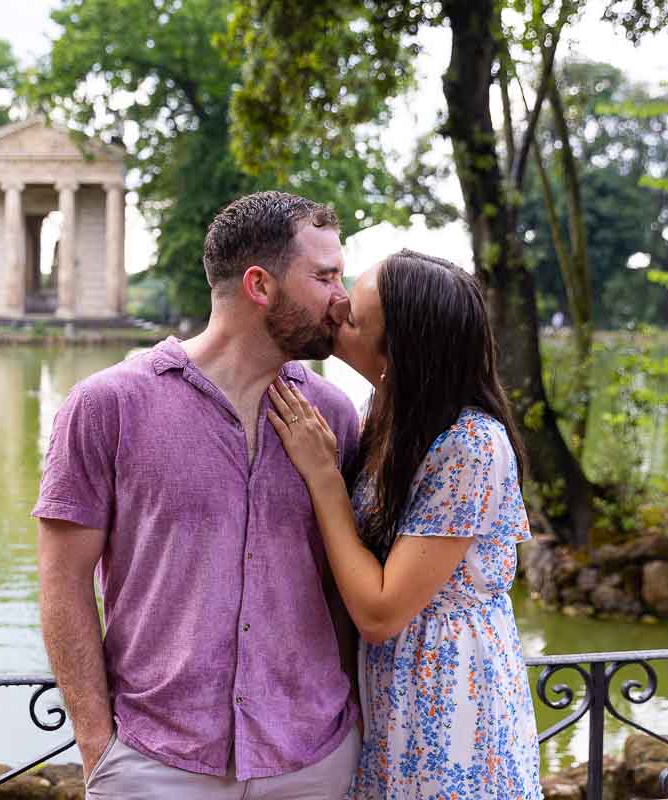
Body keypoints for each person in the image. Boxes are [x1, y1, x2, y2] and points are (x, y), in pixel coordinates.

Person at [34, 191, 363, 799]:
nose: (341, 298)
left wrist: (352, 731)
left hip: (314, 762)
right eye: (325, 276)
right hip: (156, 765)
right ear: (260, 286)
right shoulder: (107, 406)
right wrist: (98, 747)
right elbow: (63, 581)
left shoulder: (335, 417)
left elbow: (346, 586)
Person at [266, 249, 542, 799]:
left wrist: (323, 477)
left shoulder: (470, 445)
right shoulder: (387, 414)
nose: (336, 308)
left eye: (354, 319)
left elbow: (380, 611)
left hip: (453, 705)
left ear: (400, 353)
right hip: (393, 696)